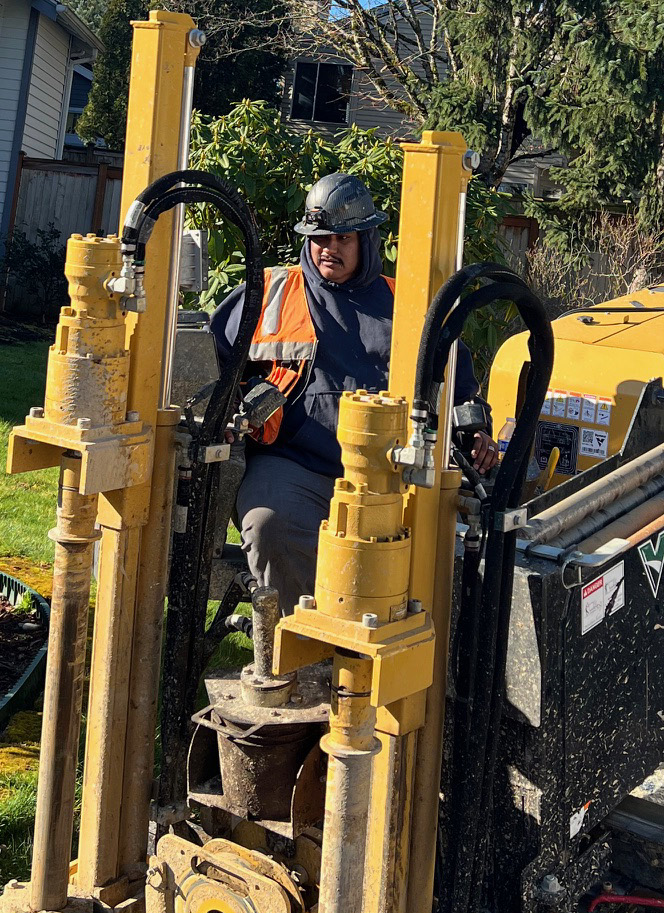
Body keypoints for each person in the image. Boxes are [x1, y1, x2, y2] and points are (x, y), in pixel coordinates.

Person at [209, 171, 499, 610]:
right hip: (293, 465)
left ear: (367, 239)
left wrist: (477, 433)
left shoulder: (409, 307)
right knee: (270, 525)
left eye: (343, 238)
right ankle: (306, 649)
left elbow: (460, 390)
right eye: (320, 237)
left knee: (417, 563)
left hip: (390, 478)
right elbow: (208, 363)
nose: (329, 248)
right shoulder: (270, 293)